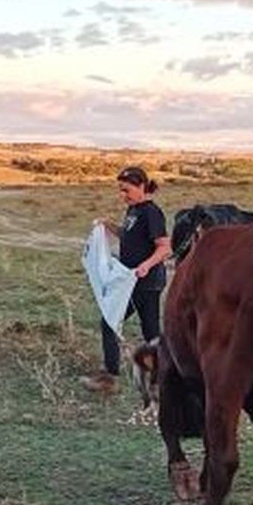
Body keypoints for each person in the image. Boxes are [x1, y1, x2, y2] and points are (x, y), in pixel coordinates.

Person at [83, 166, 170, 393]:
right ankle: (163, 376)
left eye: (126, 190)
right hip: (130, 281)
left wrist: (146, 265)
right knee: (149, 330)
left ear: (141, 186)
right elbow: (128, 235)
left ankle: (109, 379)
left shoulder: (151, 212)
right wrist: (108, 225)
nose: (123, 195)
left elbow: (164, 247)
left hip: (146, 281)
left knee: (111, 323)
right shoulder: (134, 210)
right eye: (120, 191)